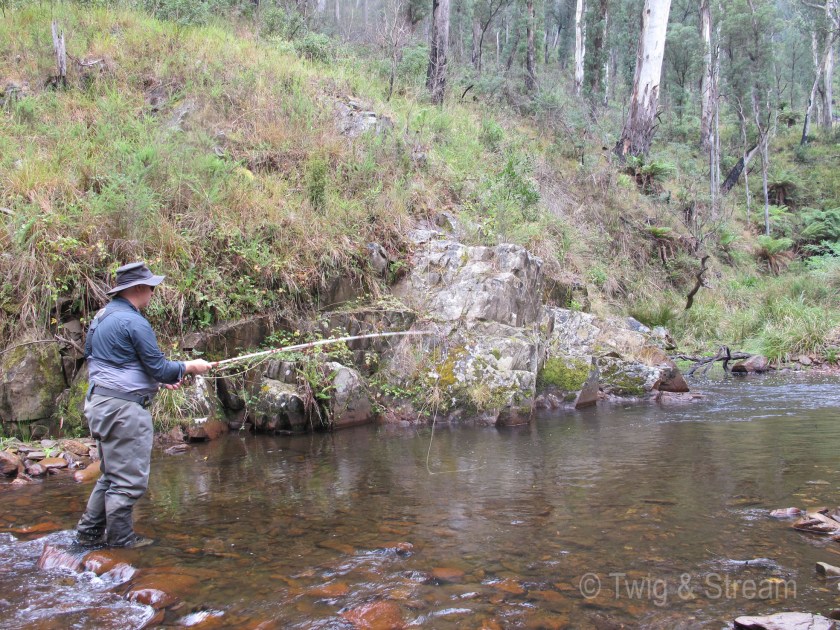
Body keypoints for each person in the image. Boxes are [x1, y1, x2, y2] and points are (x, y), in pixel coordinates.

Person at [75, 262, 214, 548]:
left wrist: (158, 381)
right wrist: (190, 366)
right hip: (124, 411)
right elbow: (160, 367)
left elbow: (111, 364)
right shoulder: (134, 321)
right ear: (138, 288)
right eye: (151, 286)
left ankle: (87, 536)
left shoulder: (103, 316)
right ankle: (121, 541)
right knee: (127, 480)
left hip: (100, 404)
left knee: (111, 474)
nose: (153, 292)